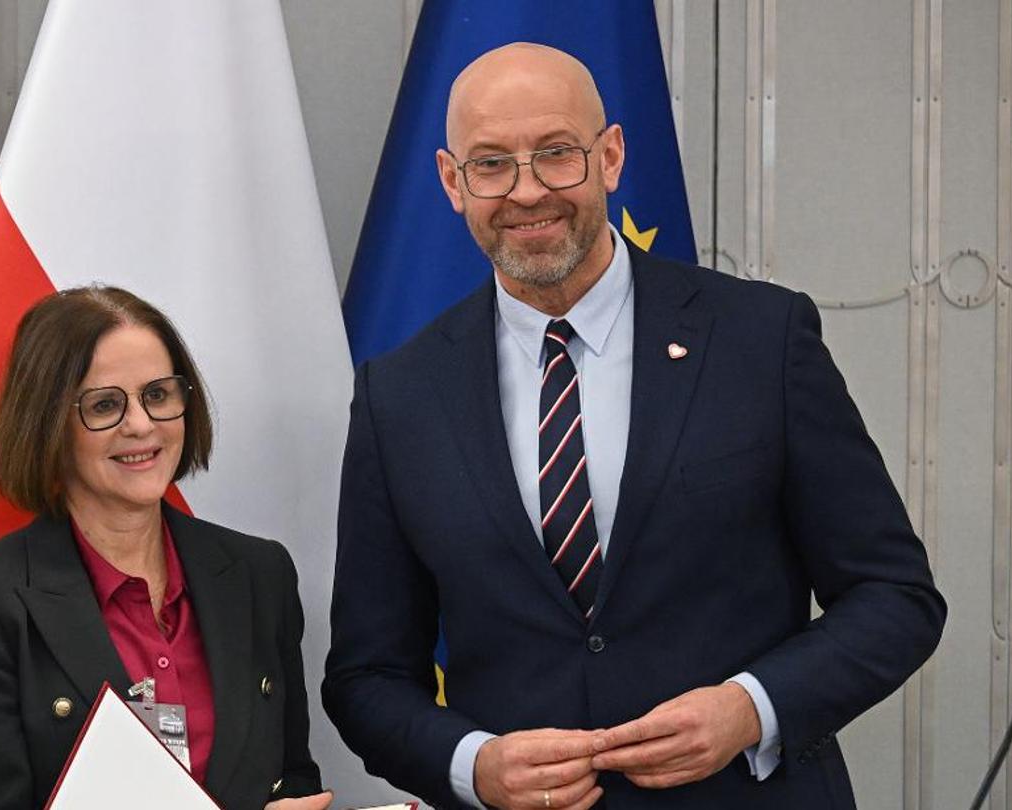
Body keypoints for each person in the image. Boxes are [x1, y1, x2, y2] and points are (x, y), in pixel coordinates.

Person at [323, 43, 946, 810]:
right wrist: (473, 765)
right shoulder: (401, 394)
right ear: (453, 182)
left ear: (611, 157)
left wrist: (751, 708)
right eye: (491, 164)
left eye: (557, 154)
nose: (526, 192)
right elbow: (366, 677)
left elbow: (895, 596)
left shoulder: (759, 338)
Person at [0, 286, 332, 810]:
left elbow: (291, 776)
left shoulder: (260, 574)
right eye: (105, 405)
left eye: (158, 395)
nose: (140, 425)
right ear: (47, 424)